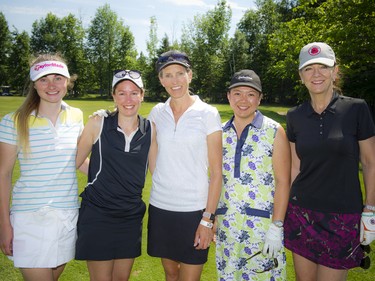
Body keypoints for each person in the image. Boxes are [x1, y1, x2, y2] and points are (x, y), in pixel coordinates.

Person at [284, 42, 375, 281]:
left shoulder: (356, 109)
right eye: (309, 68)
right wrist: (282, 213)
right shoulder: (294, 116)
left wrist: (370, 210)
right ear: (301, 76)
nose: (316, 74)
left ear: (335, 71)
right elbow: (295, 167)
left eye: (323, 67)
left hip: (343, 216)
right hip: (301, 213)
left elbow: (370, 162)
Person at [0, 54, 84, 280]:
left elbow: (76, 161)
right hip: (29, 218)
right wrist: (4, 225)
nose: (51, 85)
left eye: (58, 78)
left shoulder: (76, 116)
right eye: (43, 79)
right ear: (34, 84)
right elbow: (3, 174)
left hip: (67, 215)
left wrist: (117, 173)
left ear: (68, 81)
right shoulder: (14, 120)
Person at [147, 50, 223, 281]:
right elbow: (152, 156)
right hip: (161, 207)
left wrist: (207, 219)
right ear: (160, 80)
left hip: (195, 211)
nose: (174, 81)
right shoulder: (156, 113)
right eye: (167, 75)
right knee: (171, 275)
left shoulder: (208, 113)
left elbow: (217, 173)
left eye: (180, 73)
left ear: (190, 75)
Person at [75, 69, 155, 280]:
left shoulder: (151, 129)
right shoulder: (97, 123)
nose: (128, 99)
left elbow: (158, 171)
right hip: (98, 213)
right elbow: (75, 161)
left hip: (130, 215)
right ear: (113, 96)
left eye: (134, 93)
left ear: (142, 95)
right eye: (121, 93)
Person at [215, 69, 291, 280]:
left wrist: (277, 226)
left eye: (250, 94)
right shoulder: (219, 132)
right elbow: (214, 178)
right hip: (227, 226)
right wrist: (211, 217)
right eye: (237, 93)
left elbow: (283, 182)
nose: (243, 100)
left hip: (262, 228)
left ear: (259, 98)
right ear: (228, 96)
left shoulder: (274, 131)